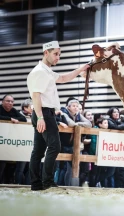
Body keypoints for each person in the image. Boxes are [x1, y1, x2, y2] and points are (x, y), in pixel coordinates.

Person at [27, 41, 89, 191]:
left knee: (39, 150)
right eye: (55, 54)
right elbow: (36, 96)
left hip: (44, 112)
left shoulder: (46, 71)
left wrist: (81, 69)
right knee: (54, 146)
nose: (58, 58)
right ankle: (46, 182)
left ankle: (37, 184)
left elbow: (63, 78)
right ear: (46, 53)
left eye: (59, 55)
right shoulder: (40, 72)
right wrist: (41, 117)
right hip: (43, 112)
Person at [0, 95, 27, 183]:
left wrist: (14, 119)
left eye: (12, 101)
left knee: (11, 167)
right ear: (2, 101)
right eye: (8, 101)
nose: (10, 103)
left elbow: (23, 119)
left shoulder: (13, 110)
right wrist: (10, 119)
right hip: (2, 142)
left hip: (11, 142)